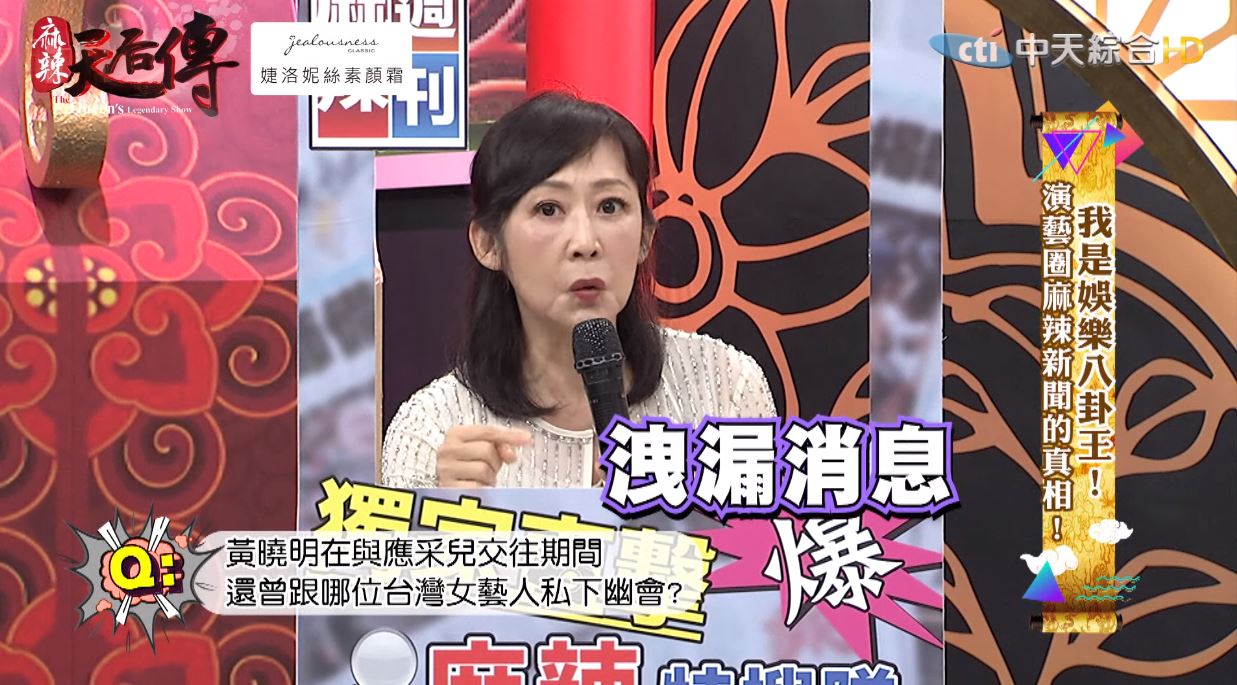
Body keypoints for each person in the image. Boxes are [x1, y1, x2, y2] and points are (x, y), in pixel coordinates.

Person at [382, 92, 776, 489]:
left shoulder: (725, 387)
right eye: (548, 209)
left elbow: (769, 530)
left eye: (610, 206)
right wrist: (439, 508)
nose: (585, 242)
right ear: (487, 244)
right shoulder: (433, 429)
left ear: (645, 236)